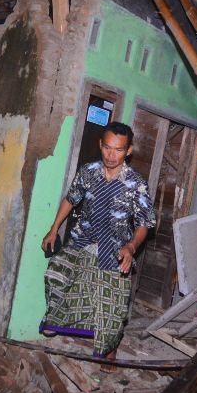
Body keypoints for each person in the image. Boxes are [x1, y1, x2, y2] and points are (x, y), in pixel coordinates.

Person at [39, 122, 156, 367]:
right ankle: (56, 320)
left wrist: (131, 247)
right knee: (56, 275)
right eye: (107, 148)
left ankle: (110, 348)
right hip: (83, 239)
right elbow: (71, 199)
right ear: (100, 145)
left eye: (118, 150)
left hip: (116, 250)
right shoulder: (88, 171)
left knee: (113, 307)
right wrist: (54, 229)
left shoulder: (136, 183)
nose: (111, 155)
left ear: (128, 151)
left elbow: (144, 223)